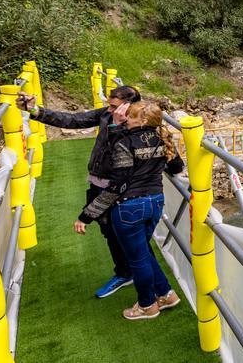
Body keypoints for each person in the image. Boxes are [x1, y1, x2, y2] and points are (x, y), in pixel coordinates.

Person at [17, 85, 141, 298]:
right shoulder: (106, 114)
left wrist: (118, 125)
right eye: (109, 106)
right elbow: (73, 120)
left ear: (129, 106)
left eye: (114, 107)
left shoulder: (138, 123)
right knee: (108, 232)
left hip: (119, 188)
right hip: (98, 182)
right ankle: (124, 272)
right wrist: (34, 109)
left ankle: (144, 280)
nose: (110, 110)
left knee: (125, 233)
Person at [74, 101, 183, 320]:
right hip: (155, 202)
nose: (125, 119)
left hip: (129, 207)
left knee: (138, 260)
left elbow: (117, 186)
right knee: (143, 251)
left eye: (130, 117)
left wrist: (86, 215)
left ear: (142, 120)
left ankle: (147, 306)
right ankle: (166, 294)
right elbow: (177, 167)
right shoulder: (162, 138)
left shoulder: (125, 142)